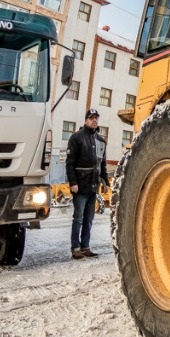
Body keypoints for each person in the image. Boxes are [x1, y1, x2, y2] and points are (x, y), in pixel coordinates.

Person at [66, 108, 109, 259]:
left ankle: (85, 247)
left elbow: (102, 164)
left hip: (93, 186)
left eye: (96, 118)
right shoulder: (76, 138)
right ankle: (75, 248)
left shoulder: (101, 141)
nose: (94, 120)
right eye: (91, 118)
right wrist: (73, 182)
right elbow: (70, 163)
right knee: (78, 218)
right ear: (85, 121)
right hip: (80, 185)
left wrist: (106, 182)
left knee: (89, 219)